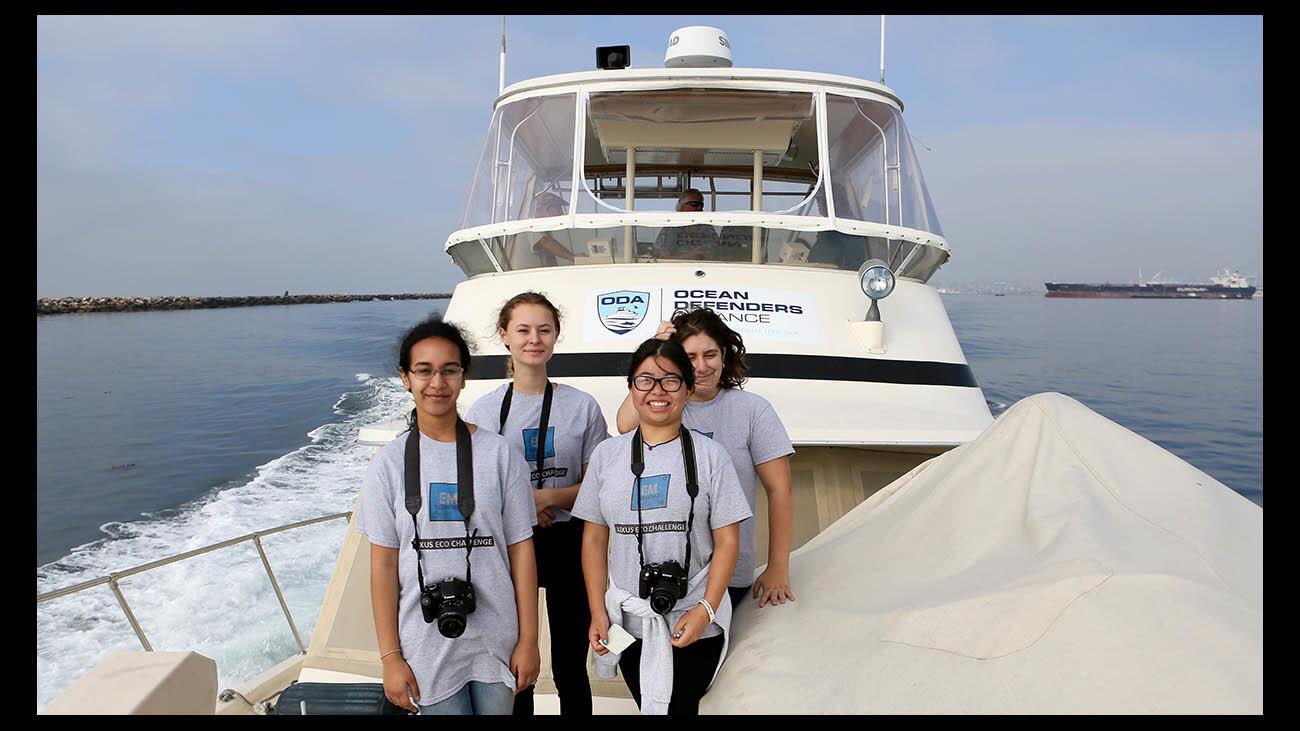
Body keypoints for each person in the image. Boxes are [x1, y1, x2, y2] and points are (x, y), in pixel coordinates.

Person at [357, 315, 540, 715]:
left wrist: (530, 639)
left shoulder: (499, 454)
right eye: (424, 371)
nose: (437, 383)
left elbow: (522, 553)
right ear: (406, 378)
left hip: (497, 639)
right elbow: (383, 566)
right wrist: (390, 657)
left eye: (448, 370)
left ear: (463, 377)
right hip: (424, 645)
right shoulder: (387, 466)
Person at [574, 338, 751, 716]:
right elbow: (593, 538)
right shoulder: (607, 456)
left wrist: (705, 609)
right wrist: (597, 611)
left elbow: (727, 539)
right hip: (630, 622)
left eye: (671, 381)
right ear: (631, 388)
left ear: (688, 389)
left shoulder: (710, 456)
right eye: (645, 380)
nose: (658, 391)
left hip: (694, 621)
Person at [466, 292, 610, 716]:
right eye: (524, 330)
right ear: (504, 336)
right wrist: (524, 506)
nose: (534, 339)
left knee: (569, 664)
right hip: (511, 545)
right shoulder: (487, 410)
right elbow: (479, 486)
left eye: (544, 330)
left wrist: (541, 498)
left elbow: (596, 486)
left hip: (569, 540)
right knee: (516, 659)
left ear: (556, 336)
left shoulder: (582, 406)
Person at [615, 308, 797, 611]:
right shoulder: (663, 405)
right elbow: (624, 424)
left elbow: (780, 490)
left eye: (710, 354)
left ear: (724, 355)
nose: (701, 366)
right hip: (664, 571)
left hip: (729, 575)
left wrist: (778, 566)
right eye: (689, 357)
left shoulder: (753, 410)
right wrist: (658, 347)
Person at [653, 189, 718, 260]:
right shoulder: (671, 227)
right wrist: (689, 256)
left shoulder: (707, 228)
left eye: (701, 204)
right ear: (682, 206)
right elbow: (662, 259)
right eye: (694, 204)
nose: (700, 208)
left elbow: (720, 252)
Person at [526, 193, 577, 267]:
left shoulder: (543, 229)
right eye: (558, 209)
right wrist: (572, 257)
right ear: (546, 208)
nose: (561, 213)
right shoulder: (531, 225)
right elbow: (545, 242)